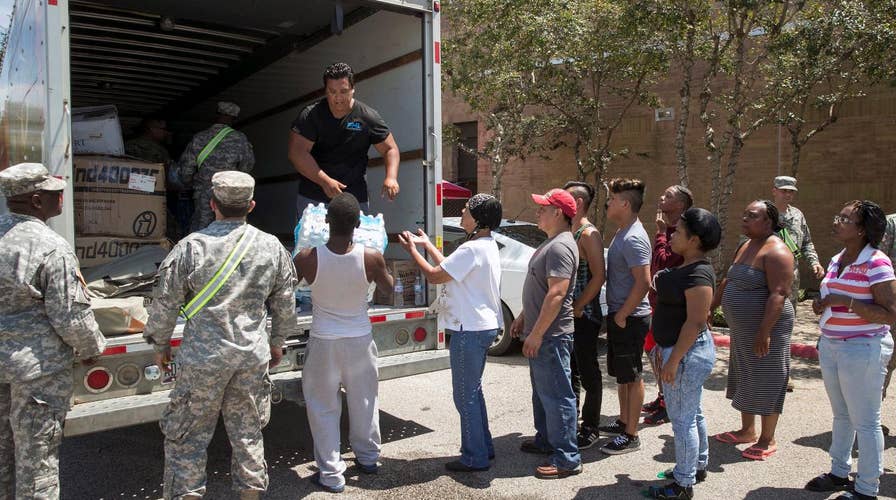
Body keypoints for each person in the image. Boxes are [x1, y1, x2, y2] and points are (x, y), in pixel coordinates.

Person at [144, 171, 298, 500]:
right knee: (248, 435)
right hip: (250, 357)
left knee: (187, 437)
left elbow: (165, 302)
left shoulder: (190, 248)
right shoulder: (271, 247)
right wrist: (278, 342)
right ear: (252, 205)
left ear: (212, 204)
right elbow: (285, 301)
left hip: (203, 360)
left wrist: (159, 344)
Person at [0, 163, 107, 500]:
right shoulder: (50, 246)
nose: (60, 196)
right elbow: (69, 317)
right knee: (37, 465)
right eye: (53, 192)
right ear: (35, 200)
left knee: (3, 457)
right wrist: (92, 349)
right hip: (37, 375)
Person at [293, 193, 394, 493]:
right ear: (358, 224)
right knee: (364, 400)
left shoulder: (308, 257)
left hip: (324, 341)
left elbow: (287, 287)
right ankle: (367, 458)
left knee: (323, 407)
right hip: (359, 341)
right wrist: (376, 274)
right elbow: (388, 290)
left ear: (326, 222)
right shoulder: (371, 257)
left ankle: (331, 475)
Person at [398, 193, 503, 472]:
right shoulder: (485, 245)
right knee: (474, 390)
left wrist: (412, 251)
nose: (462, 214)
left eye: (466, 210)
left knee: (464, 395)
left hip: (468, 328)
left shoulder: (472, 249)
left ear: (478, 219)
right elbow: (447, 267)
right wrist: (428, 245)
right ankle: (484, 447)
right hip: (483, 325)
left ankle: (474, 457)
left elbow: (434, 275)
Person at [804, 201, 895, 500]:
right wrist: (822, 303)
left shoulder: (877, 262)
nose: (836, 221)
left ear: (861, 230)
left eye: (844, 218)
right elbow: (833, 299)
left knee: (866, 421)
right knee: (841, 414)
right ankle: (839, 472)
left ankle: (867, 488)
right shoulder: (836, 259)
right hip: (832, 345)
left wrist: (847, 300)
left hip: (863, 347)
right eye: (837, 215)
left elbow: (891, 313)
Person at [711, 200, 794, 461]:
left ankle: (767, 439)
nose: (744, 218)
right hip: (743, 330)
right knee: (745, 373)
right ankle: (747, 430)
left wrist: (764, 332)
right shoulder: (746, 245)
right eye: (744, 214)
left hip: (768, 327)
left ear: (768, 222)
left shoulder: (777, 251)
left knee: (768, 378)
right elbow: (729, 279)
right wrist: (711, 306)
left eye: (752, 216)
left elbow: (779, 294)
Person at [647, 208, 721, 500]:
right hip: (679, 352)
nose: (672, 234)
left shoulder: (699, 273)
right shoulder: (686, 267)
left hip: (687, 356)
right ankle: (696, 465)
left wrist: (673, 358)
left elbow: (696, 321)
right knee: (693, 412)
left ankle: (682, 484)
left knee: (682, 420)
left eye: (678, 231)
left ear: (694, 239)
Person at [509, 188, 582, 479]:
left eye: (543, 207)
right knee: (543, 393)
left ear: (558, 213)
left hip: (551, 336)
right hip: (543, 332)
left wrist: (537, 334)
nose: (538, 211)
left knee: (557, 396)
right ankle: (546, 440)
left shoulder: (561, 246)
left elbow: (557, 293)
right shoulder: (552, 243)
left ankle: (567, 458)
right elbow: (541, 289)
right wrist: (523, 318)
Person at [288, 62, 400, 215]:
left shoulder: (367, 116)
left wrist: (391, 177)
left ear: (353, 89)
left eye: (344, 91)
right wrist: (324, 181)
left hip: (354, 199)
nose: (338, 98)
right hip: (314, 199)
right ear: (325, 91)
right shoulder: (311, 115)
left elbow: (390, 148)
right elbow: (297, 153)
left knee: (355, 240)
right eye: (332, 91)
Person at [598, 178, 652, 455]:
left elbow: (644, 282)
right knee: (622, 375)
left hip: (631, 318)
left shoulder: (633, 237)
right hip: (623, 316)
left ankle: (632, 435)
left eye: (612, 199)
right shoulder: (623, 231)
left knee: (633, 376)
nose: (608, 203)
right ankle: (623, 422)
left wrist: (622, 315)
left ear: (625, 203)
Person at [643, 184, 694, 427]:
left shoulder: (681, 234)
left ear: (681, 205)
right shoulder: (668, 229)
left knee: (665, 355)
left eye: (669, 196)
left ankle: (668, 404)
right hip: (656, 302)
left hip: (672, 307)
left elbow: (661, 263)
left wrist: (662, 233)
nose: (662, 198)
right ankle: (662, 396)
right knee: (653, 353)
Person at [562, 181, 606, 449]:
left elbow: (599, 276)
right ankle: (571, 422)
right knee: (572, 372)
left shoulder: (589, 234)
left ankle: (590, 427)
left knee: (589, 374)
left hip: (585, 316)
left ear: (577, 203)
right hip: (571, 316)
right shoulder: (571, 230)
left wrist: (578, 306)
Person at [173, 101, 255, 232]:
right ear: (234, 118)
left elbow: (186, 169)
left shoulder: (199, 138)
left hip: (203, 193)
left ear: (217, 115)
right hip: (229, 194)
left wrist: (188, 184)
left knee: (201, 229)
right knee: (229, 229)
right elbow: (247, 167)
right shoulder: (240, 139)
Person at [772, 175, 825, 305]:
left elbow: (807, 242)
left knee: (789, 318)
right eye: (784, 191)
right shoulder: (765, 214)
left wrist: (814, 262)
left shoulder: (797, 215)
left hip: (792, 278)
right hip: (769, 275)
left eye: (791, 191)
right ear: (774, 191)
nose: (788, 194)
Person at [880, 213, 896, 410]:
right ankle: (870, 421)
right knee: (885, 361)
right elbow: (876, 259)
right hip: (891, 304)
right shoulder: (891, 223)